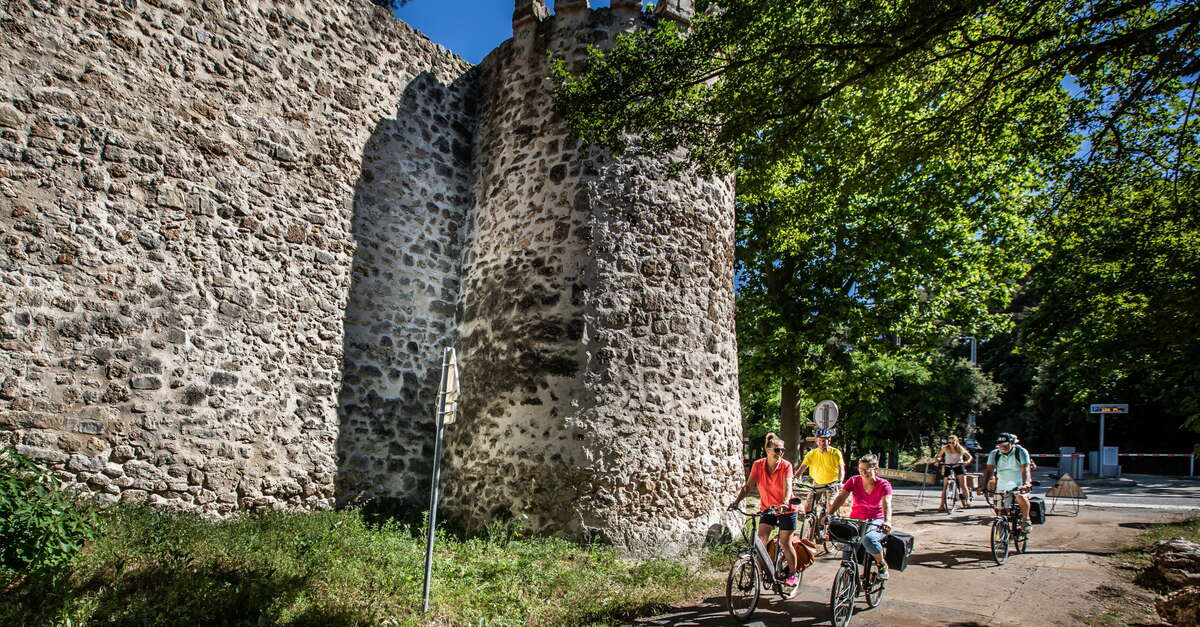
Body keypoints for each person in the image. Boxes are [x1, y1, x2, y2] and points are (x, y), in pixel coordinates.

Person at [731, 433, 801, 586]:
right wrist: (736, 502)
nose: (780, 453)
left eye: (782, 450)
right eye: (777, 450)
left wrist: (784, 502)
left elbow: (788, 487)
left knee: (785, 542)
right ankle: (761, 571)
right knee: (760, 540)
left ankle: (793, 573)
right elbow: (748, 487)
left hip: (786, 509)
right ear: (767, 450)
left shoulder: (786, 465)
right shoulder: (758, 465)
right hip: (768, 508)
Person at [826, 454, 894, 580]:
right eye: (860, 469)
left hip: (876, 520)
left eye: (866, 470)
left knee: (869, 539)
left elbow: (887, 504)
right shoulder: (853, 481)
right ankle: (848, 581)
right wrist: (829, 514)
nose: (862, 473)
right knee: (848, 550)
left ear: (875, 469)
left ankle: (881, 564)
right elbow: (841, 498)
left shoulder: (884, 484)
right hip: (856, 519)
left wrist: (887, 521)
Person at [978, 432, 1033, 531]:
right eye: (999, 445)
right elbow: (989, 470)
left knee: (1021, 496)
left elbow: (1025, 469)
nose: (1002, 447)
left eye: (1005, 444)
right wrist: (983, 486)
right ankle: (1003, 532)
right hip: (1002, 484)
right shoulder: (994, 454)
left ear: (1012, 443)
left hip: (1019, 482)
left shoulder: (1020, 451)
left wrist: (1025, 484)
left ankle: (1026, 519)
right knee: (999, 508)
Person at [797, 429, 845, 514]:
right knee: (808, 506)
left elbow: (841, 469)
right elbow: (802, 468)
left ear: (829, 441)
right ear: (816, 441)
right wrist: (795, 478)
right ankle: (810, 524)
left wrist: (840, 481)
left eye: (824, 440)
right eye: (820, 440)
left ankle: (829, 525)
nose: (822, 443)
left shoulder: (835, 453)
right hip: (817, 484)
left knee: (830, 505)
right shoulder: (811, 454)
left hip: (832, 484)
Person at [935, 435, 973, 510]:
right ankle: (942, 505)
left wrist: (967, 461)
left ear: (956, 441)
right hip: (948, 466)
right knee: (945, 486)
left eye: (953, 442)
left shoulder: (960, 448)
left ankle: (967, 500)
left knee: (963, 484)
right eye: (949, 442)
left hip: (958, 466)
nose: (951, 444)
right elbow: (938, 456)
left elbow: (970, 457)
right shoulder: (945, 448)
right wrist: (938, 460)